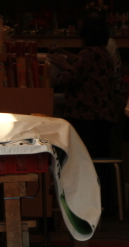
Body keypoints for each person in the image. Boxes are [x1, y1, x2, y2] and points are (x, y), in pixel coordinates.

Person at [49, 14, 119, 159]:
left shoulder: (89, 53)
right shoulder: (103, 53)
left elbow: (71, 76)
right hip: (102, 117)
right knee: (99, 159)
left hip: (88, 116)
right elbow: (81, 66)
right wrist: (65, 54)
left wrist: (57, 70)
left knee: (84, 158)